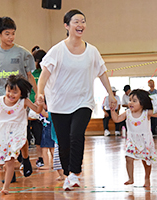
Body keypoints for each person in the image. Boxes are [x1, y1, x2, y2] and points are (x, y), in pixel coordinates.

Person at [36, 9, 117, 191]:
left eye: (83, 21)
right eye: (76, 22)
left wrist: (110, 94)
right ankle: (68, 173)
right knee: (63, 142)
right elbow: (44, 75)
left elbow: (102, 73)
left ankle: (74, 173)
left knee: (76, 135)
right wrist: (40, 93)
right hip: (59, 104)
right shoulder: (57, 50)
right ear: (67, 26)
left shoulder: (92, 51)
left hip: (83, 102)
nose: (80, 25)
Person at [0, 16, 37, 177]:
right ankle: (10, 170)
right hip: (1, 99)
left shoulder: (22, 53)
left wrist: (38, 93)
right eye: (7, 34)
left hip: (19, 100)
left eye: (13, 34)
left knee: (20, 132)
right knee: (1, 134)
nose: (11, 37)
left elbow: (30, 76)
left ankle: (25, 158)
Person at [0, 75, 42, 195]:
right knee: (5, 160)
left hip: (18, 129)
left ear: (21, 93)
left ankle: (6, 186)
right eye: (9, 91)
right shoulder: (0, 100)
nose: (11, 94)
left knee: (11, 159)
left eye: (15, 92)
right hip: (2, 131)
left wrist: (39, 103)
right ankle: (25, 159)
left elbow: (38, 110)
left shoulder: (23, 101)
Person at [111, 89, 157, 187]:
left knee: (146, 161)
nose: (130, 103)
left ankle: (147, 178)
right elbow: (117, 119)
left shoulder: (146, 113)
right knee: (128, 157)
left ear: (143, 103)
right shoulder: (127, 113)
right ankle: (131, 178)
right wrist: (112, 110)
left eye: (134, 101)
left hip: (145, 140)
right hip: (132, 140)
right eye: (130, 100)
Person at [27, 48, 47, 169]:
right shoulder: (31, 74)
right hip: (31, 107)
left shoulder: (45, 73)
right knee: (34, 133)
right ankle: (36, 158)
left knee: (41, 134)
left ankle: (43, 158)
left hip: (43, 106)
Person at [38, 98, 55, 170]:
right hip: (50, 132)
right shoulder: (53, 112)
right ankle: (56, 164)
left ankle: (47, 164)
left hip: (48, 132)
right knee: (52, 149)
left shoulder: (49, 112)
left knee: (45, 149)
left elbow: (44, 113)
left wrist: (40, 106)